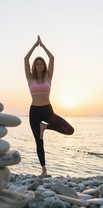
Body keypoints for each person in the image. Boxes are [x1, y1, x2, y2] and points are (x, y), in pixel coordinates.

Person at [24, 36, 74, 178]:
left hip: (48, 111)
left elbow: (51, 58)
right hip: (34, 112)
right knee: (39, 142)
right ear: (35, 66)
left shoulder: (49, 77)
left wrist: (43, 45)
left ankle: (45, 127)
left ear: (44, 66)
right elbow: (25, 60)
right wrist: (34, 46)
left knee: (70, 130)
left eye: (41, 63)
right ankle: (44, 171)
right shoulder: (30, 78)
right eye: (37, 63)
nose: (39, 65)